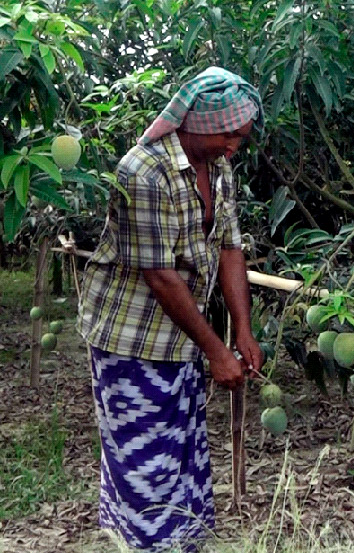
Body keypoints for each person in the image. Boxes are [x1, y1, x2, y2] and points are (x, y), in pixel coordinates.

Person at [77, 66, 265, 552]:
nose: (234, 148)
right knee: (143, 461)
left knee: (181, 452)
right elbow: (159, 275)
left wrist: (242, 329)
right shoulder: (142, 171)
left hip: (180, 338)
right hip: (130, 339)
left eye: (240, 139)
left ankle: (180, 544)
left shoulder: (218, 168)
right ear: (198, 124)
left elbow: (228, 246)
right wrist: (216, 352)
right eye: (229, 135)